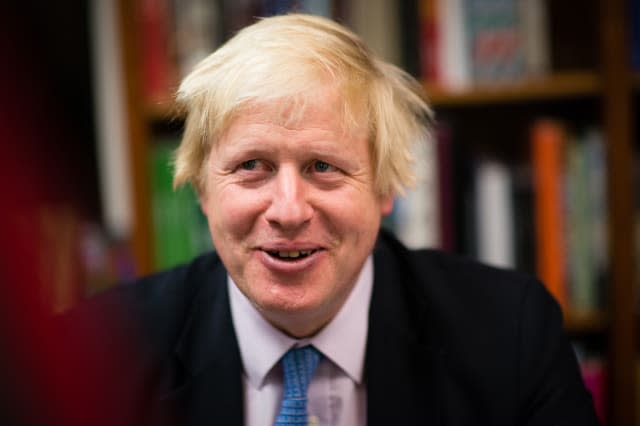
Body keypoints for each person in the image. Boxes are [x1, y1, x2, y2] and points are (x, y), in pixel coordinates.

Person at [60, 13, 599, 426]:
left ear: (386, 188)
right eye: (252, 167)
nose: (289, 211)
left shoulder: (513, 337)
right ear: (202, 189)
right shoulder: (96, 355)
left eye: (323, 167)